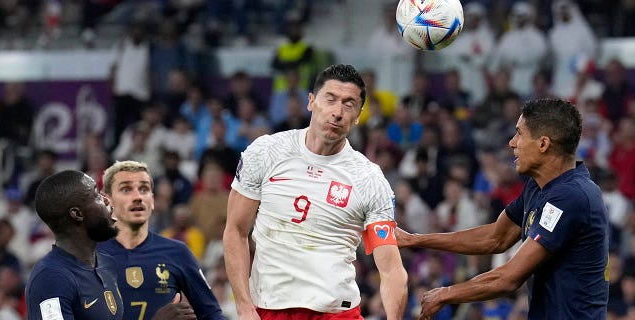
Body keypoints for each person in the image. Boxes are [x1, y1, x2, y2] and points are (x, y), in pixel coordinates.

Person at [223, 64, 408, 319]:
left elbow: (390, 269)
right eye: (330, 99)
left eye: (349, 104)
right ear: (311, 101)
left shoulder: (369, 179)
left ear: (358, 115)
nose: (337, 112)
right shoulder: (266, 152)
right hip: (267, 308)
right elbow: (236, 230)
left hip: (336, 312)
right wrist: (244, 306)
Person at [397, 98, 609, 319]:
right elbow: (495, 237)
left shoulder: (572, 196)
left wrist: (446, 294)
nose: (512, 142)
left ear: (543, 144)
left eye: (519, 133)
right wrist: (416, 240)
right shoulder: (538, 188)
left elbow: (508, 279)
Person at [97, 160, 225, 320]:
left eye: (144, 189)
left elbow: (212, 314)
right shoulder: (90, 256)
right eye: (126, 189)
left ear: (152, 200)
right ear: (107, 200)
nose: (137, 197)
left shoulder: (178, 252)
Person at [25, 170, 123, 320]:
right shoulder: (50, 278)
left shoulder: (107, 263)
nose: (107, 200)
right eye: (97, 195)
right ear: (77, 214)